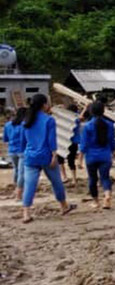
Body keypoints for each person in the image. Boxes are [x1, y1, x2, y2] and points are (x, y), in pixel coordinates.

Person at [20, 94, 75, 223]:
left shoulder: (26, 121)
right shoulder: (49, 120)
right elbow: (52, 142)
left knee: (29, 185)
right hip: (46, 156)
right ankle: (64, 206)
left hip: (30, 157)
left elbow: (23, 142)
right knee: (56, 182)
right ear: (44, 105)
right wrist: (54, 155)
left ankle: (26, 213)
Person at [79, 101, 115, 210]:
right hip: (105, 155)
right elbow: (112, 142)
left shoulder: (87, 126)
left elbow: (84, 144)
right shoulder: (109, 125)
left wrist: (79, 159)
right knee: (105, 177)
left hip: (91, 156)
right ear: (103, 111)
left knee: (92, 179)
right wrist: (113, 153)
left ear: (91, 111)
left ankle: (96, 202)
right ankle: (107, 195)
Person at [4, 107, 26, 201]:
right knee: (22, 173)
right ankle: (19, 194)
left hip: (12, 150)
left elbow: (5, 139)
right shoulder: (24, 125)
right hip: (22, 150)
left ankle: (15, 190)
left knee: (16, 170)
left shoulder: (8, 125)